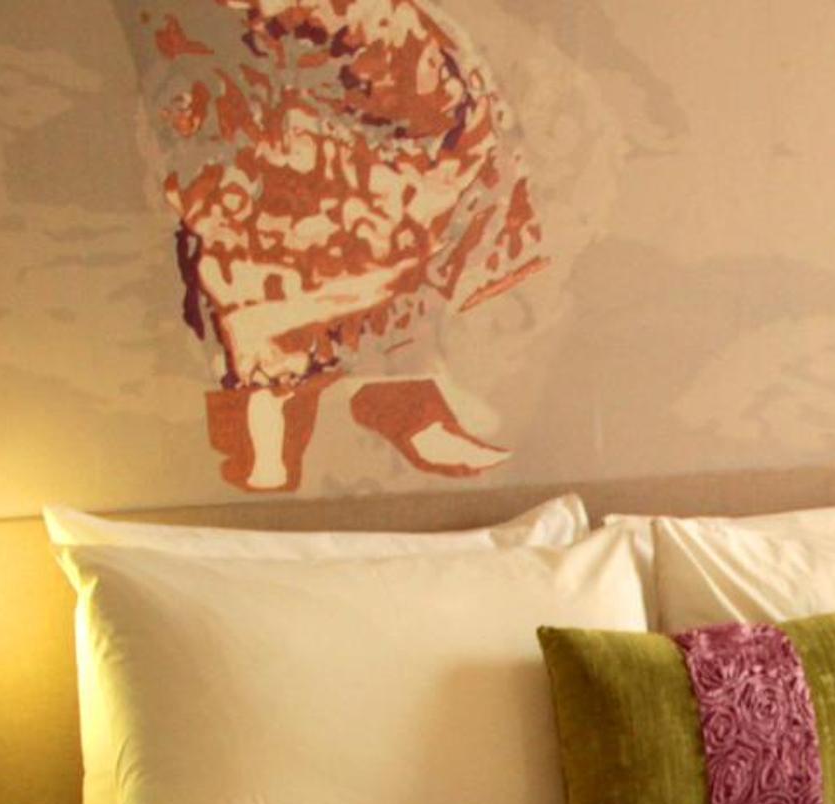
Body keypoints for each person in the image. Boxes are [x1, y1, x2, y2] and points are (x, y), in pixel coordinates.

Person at [127, 0, 544, 491]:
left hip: (332, 34)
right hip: (237, 46)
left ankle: (400, 386)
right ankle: (268, 408)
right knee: (268, 175)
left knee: (439, 129)